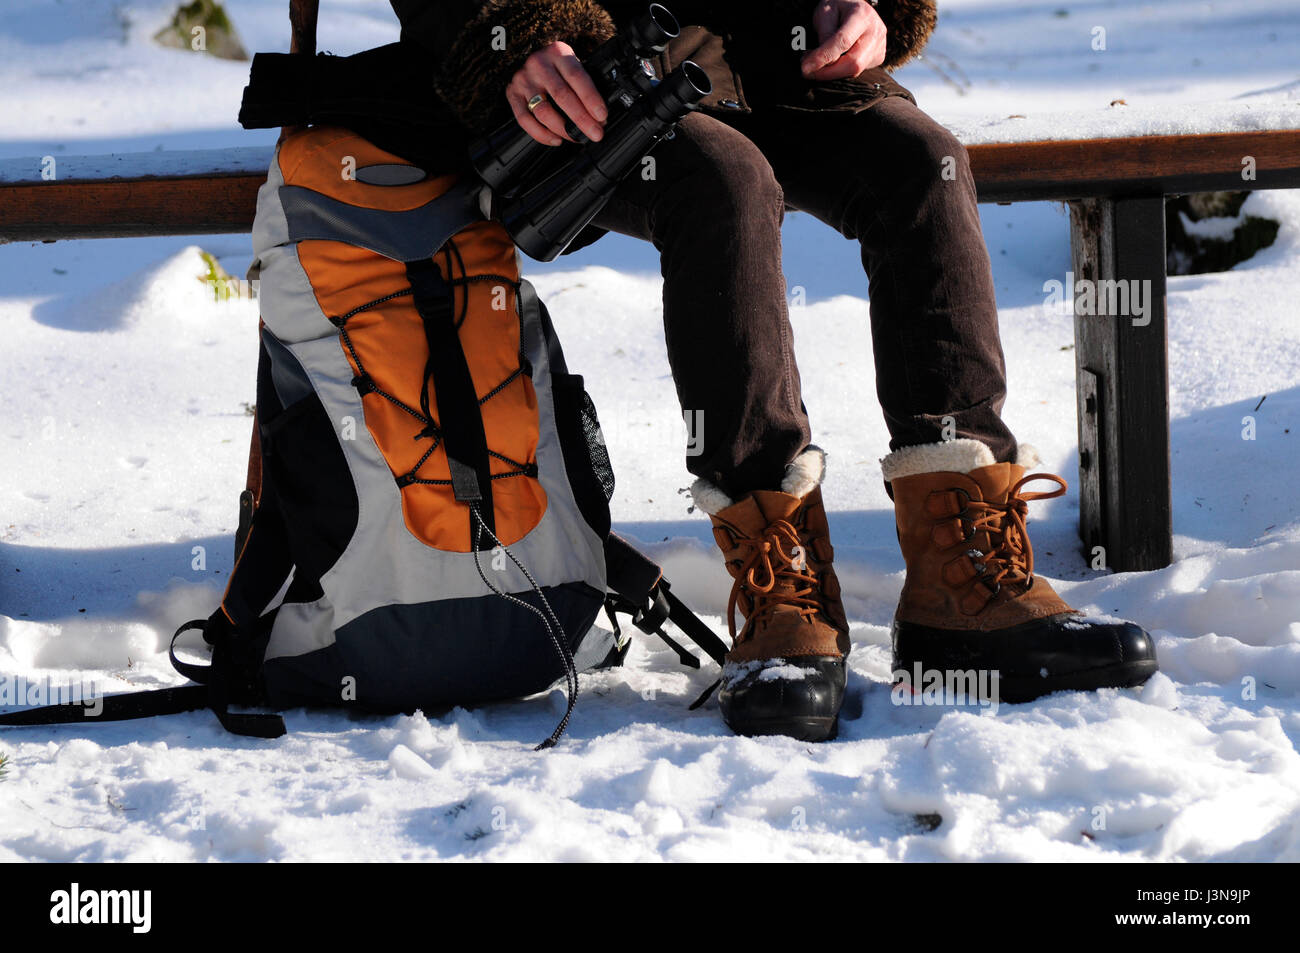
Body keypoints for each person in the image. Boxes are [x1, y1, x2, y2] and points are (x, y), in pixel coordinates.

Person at [389, 0, 1159, 740]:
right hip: (586, 77)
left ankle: (963, 577)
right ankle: (778, 581)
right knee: (724, 183)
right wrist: (511, 31)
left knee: (926, 165)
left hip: (765, 53)